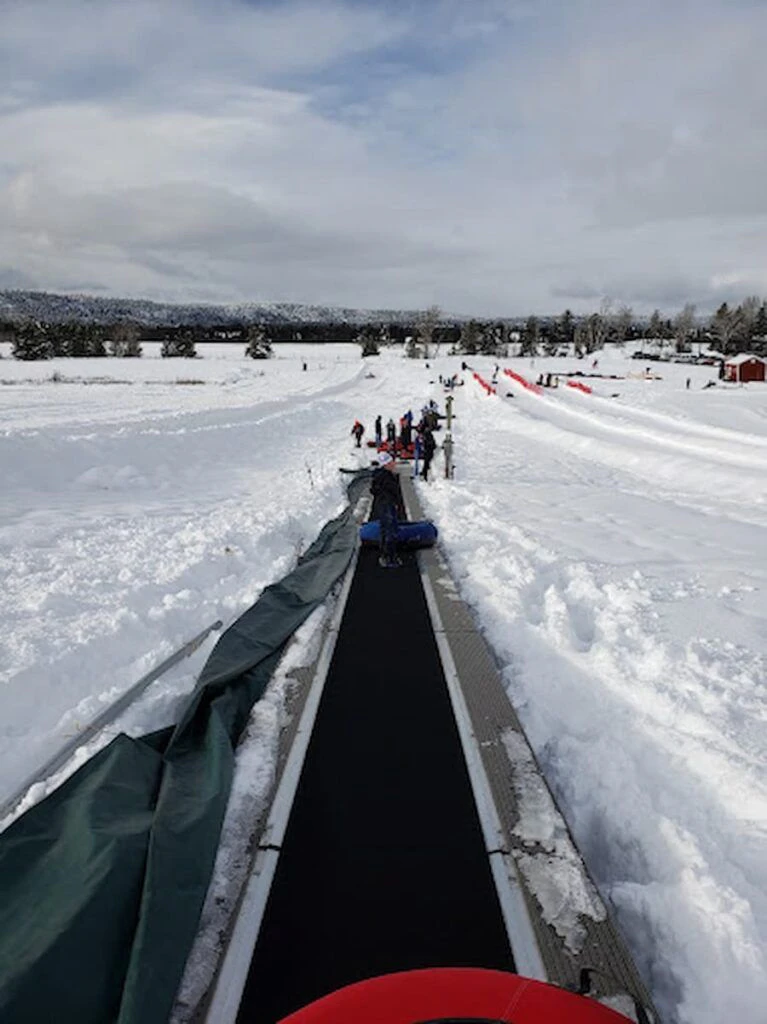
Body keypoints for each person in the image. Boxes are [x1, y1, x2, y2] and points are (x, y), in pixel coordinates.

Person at [371, 452, 404, 567]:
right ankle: (389, 557)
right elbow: (392, 492)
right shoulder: (386, 477)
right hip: (387, 505)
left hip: (385, 504)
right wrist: (396, 503)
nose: (394, 463)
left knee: (386, 529)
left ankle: (387, 555)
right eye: (391, 462)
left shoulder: (383, 476)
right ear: (386, 464)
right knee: (390, 530)